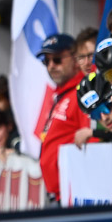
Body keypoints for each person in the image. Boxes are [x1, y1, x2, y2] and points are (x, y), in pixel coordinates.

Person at [33, 34, 90, 202]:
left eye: (57, 60)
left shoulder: (83, 92)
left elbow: (92, 139)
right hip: (59, 193)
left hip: (74, 193)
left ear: (75, 59)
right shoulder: (62, 95)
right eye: (46, 61)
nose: (51, 66)